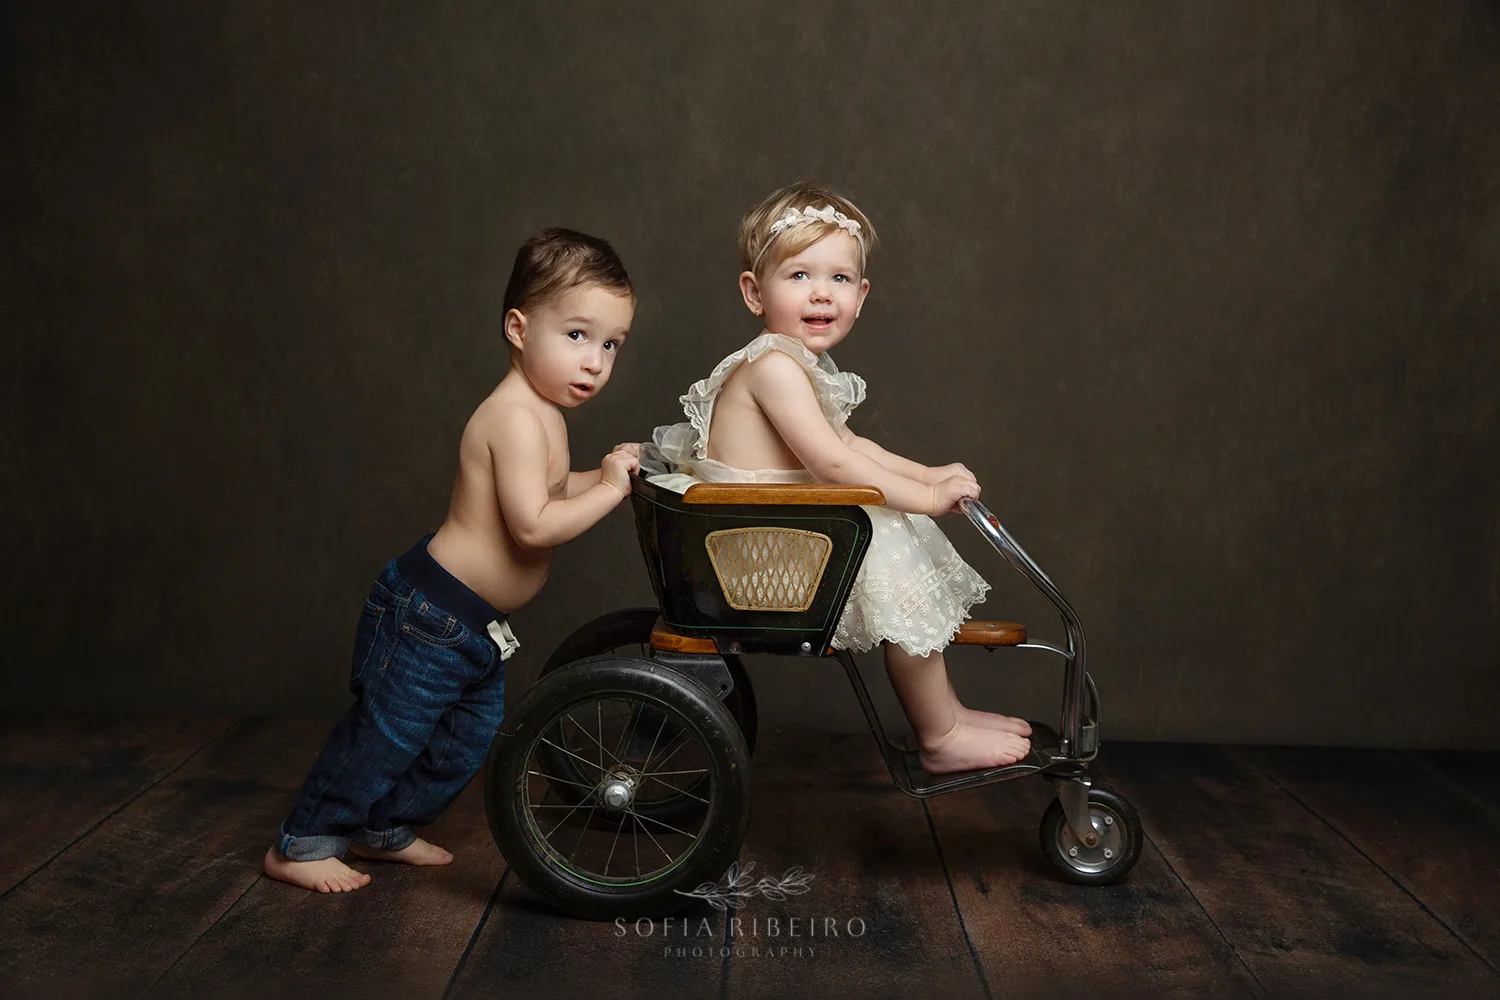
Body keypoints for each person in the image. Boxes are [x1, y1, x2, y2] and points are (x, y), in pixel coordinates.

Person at [264, 228, 641, 892]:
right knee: (386, 735)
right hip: (427, 615)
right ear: (519, 328)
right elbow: (532, 525)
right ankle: (303, 842)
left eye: (611, 344)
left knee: (465, 739)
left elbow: (552, 490)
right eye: (577, 336)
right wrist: (609, 489)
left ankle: (383, 827)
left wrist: (607, 473)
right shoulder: (515, 418)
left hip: (470, 629)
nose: (595, 362)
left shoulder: (545, 414)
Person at [645, 184, 1031, 774]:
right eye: (798, 275)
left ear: (862, 294)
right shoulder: (773, 367)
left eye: (840, 279)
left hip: (776, 536)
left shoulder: (795, 365)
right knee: (894, 553)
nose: (822, 293)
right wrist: (926, 498)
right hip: (759, 553)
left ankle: (947, 709)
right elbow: (833, 465)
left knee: (888, 529)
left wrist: (926, 471)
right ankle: (940, 732)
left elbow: (852, 444)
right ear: (755, 292)